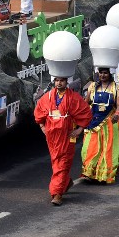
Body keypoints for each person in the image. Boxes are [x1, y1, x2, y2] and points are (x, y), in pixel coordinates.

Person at [34, 76, 92, 206]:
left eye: (62, 80)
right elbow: (38, 112)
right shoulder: (48, 97)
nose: (59, 83)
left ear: (67, 82)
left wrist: (79, 130)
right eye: (56, 80)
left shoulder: (73, 97)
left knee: (63, 163)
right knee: (56, 162)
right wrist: (43, 127)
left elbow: (86, 112)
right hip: (52, 137)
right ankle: (66, 182)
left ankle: (57, 193)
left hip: (67, 135)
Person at [81, 68, 119, 184]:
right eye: (101, 73)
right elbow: (86, 103)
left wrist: (117, 114)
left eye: (105, 73)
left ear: (110, 74)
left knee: (107, 149)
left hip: (110, 123)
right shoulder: (93, 86)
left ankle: (104, 174)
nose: (102, 75)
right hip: (93, 122)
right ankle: (89, 173)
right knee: (89, 148)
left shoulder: (116, 87)